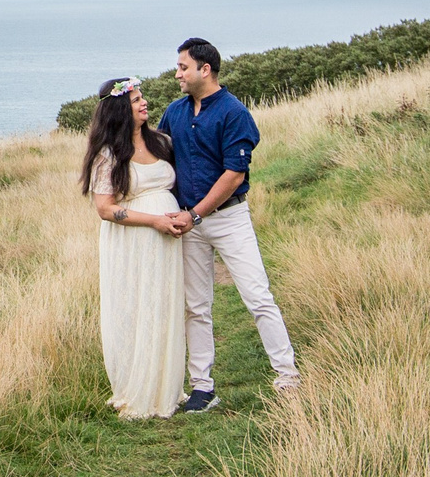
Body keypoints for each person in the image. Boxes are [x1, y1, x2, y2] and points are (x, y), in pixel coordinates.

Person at [157, 38, 298, 409]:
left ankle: (288, 376)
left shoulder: (234, 113)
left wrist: (196, 213)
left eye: (183, 67)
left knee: (257, 296)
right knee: (196, 306)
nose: (177, 74)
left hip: (228, 218)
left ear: (205, 69)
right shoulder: (174, 111)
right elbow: (159, 154)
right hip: (188, 222)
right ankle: (203, 387)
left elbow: (234, 175)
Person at [80, 75, 187, 419]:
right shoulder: (109, 155)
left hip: (166, 241)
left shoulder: (160, 142)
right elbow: (105, 209)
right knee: (135, 307)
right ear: (120, 111)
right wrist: (154, 220)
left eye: (142, 97)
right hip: (133, 241)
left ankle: (164, 386)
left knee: (163, 307)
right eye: (135, 100)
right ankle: (136, 387)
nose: (144, 103)